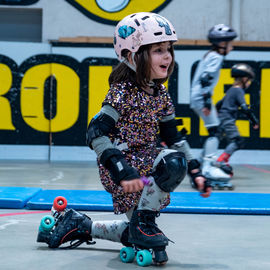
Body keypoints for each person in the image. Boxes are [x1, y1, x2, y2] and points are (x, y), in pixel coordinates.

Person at [37, 12, 211, 265]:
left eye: (169, 49)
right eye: (159, 50)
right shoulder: (122, 92)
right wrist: (121, 169)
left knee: (135, 234)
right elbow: (95, 132)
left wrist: (195, 169)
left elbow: (173, 136)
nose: (168, 56)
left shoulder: (160, 94)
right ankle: (144, 223)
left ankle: (79, 224)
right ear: (132, 56)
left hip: (143, 171)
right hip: (123, 169)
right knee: (171, 165)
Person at [190, 24, 237, 185]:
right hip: (201, 97)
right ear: (222, 44)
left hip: (198, 96)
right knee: (215, 131)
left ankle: (204, 163)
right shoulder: (216, 57)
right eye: (230, 42)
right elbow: (206, 79)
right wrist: (207, 102)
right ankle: (208, 168)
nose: (232, 45)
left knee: (214, 130)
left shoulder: (210, 55)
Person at [215, 63, 259, 171]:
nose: (249, 83)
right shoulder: (239, 90)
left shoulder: (231, 90)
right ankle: (221, 161)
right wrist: (254, 121)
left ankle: (206, 161)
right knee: (237, 141)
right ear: (244, 79)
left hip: (222, 118)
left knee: (215, 139)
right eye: (249, 80)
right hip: (227, 118)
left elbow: (219, 104)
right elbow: (244, 108)